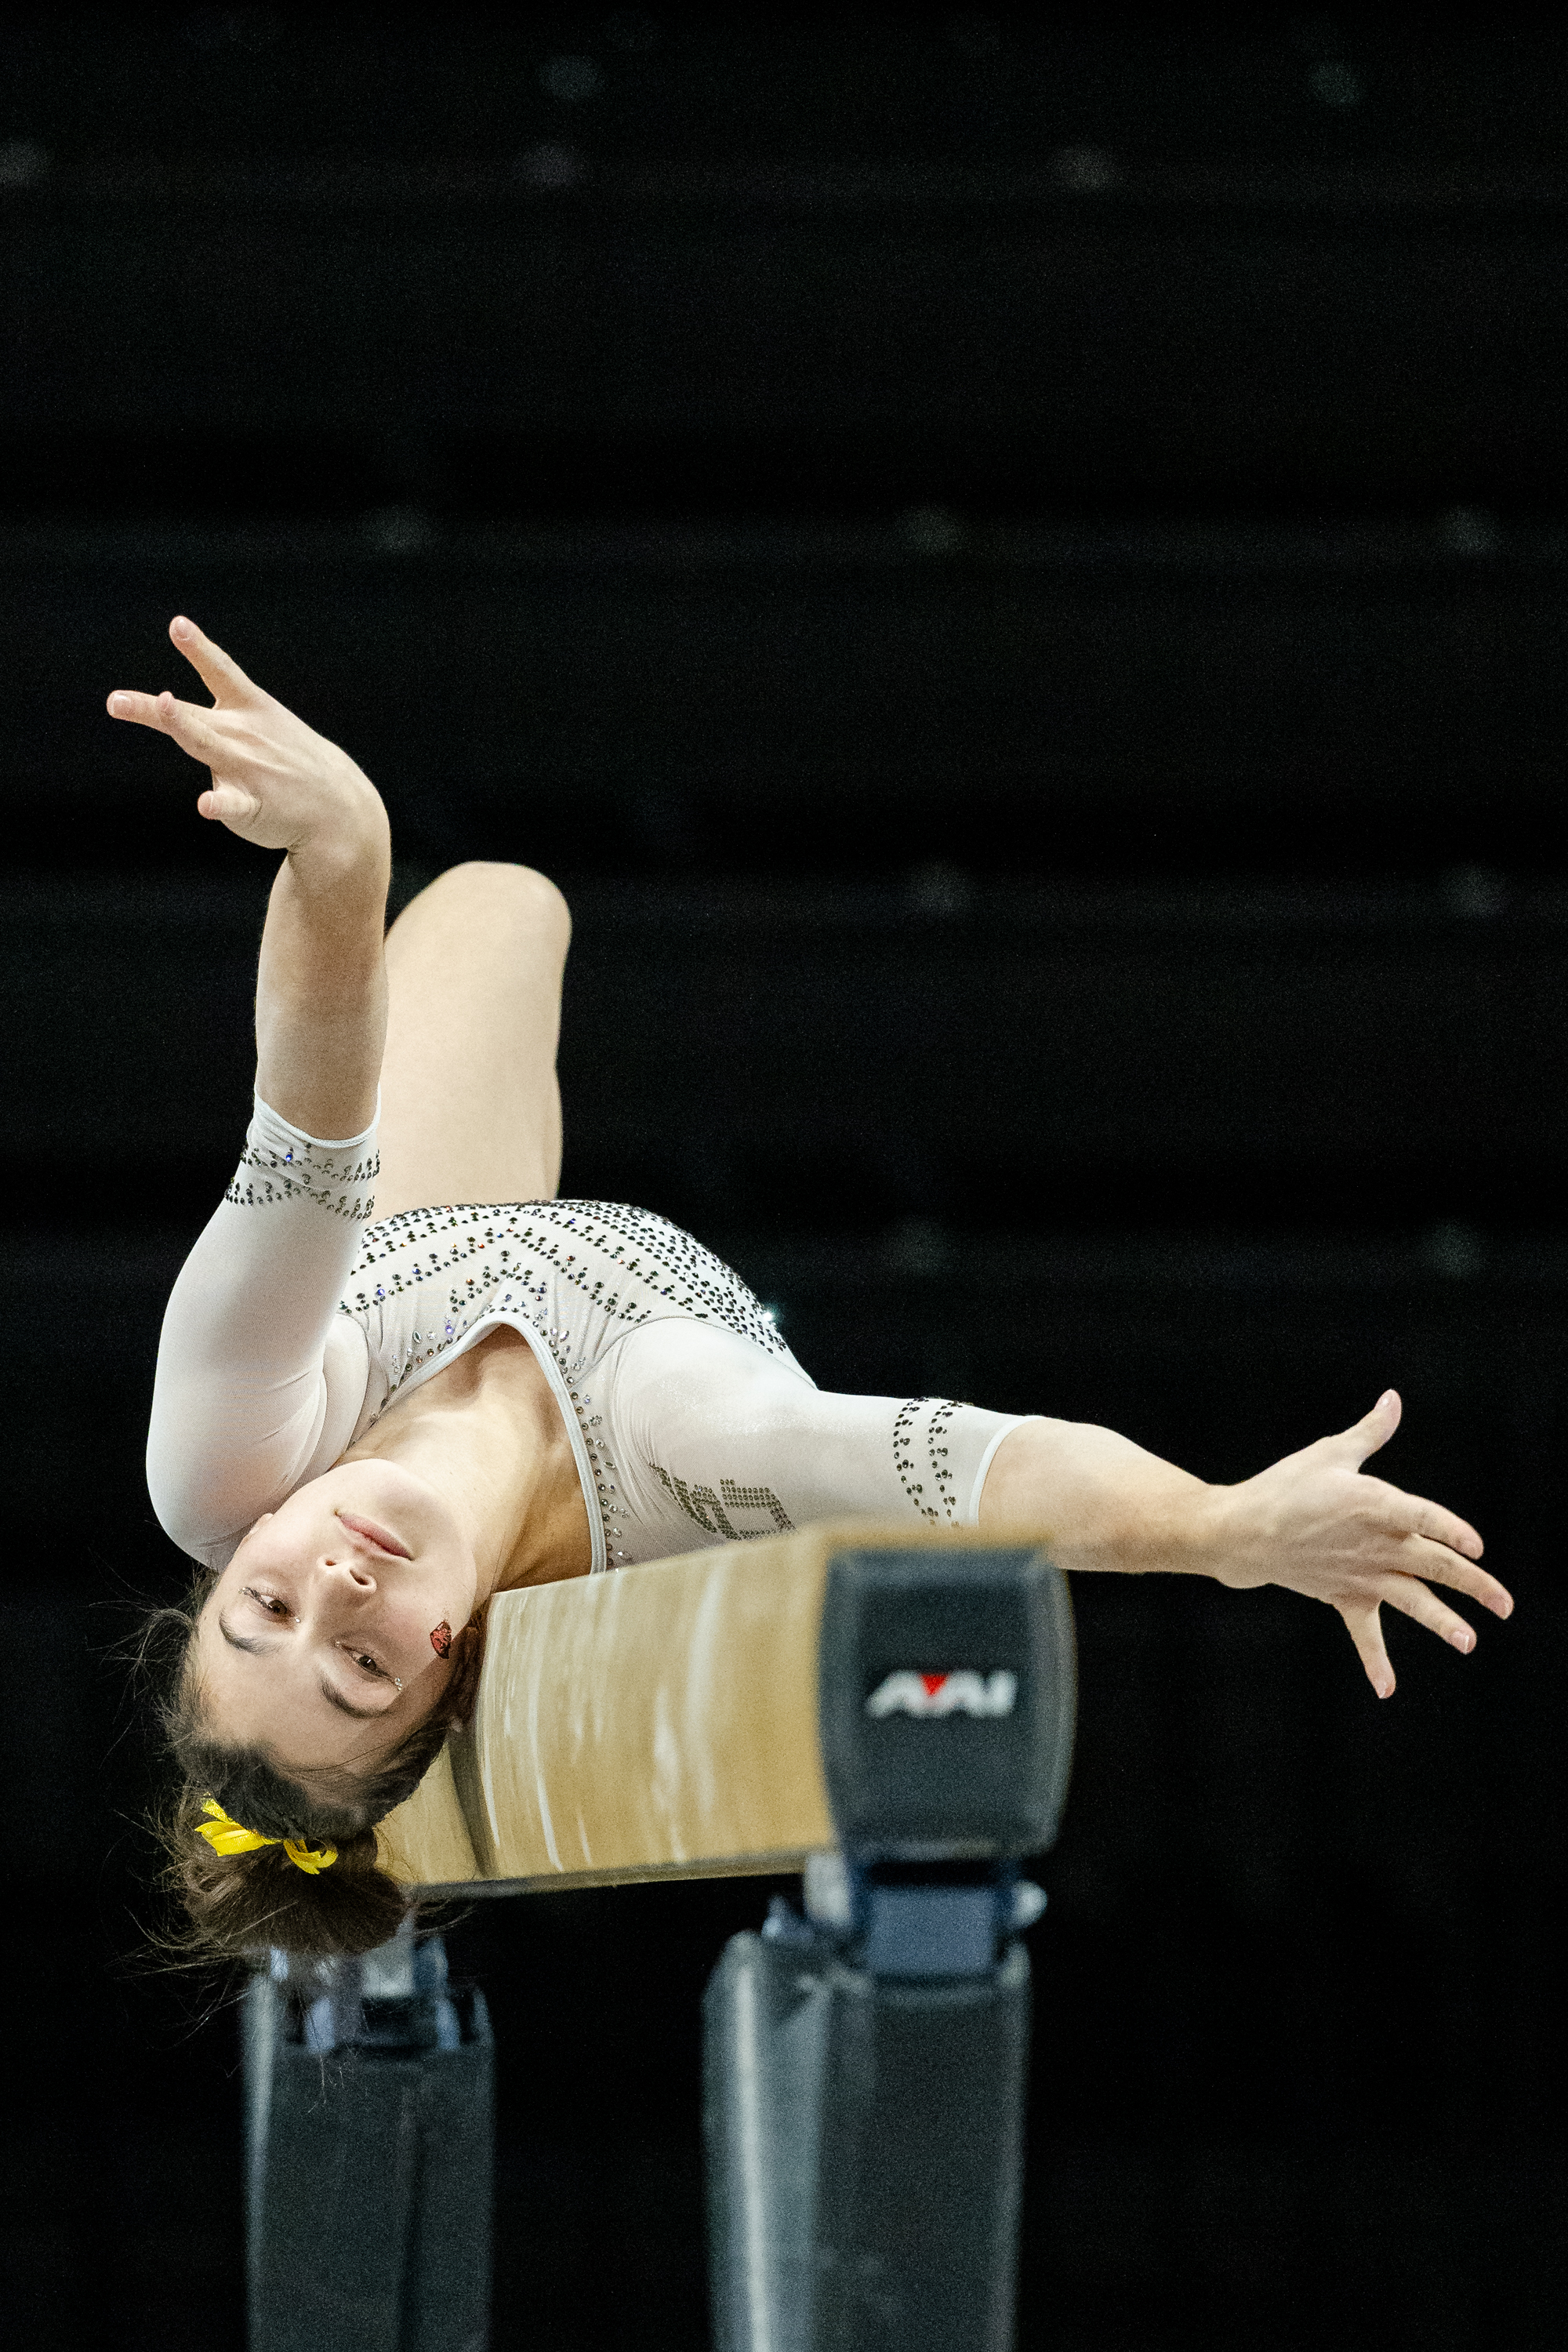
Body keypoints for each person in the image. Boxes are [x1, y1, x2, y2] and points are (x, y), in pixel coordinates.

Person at [116, 617, 1513, 1960]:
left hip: (423, 1245)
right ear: (455, 1674)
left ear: (234, 1560)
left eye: (267, 1610)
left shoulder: (228, 1464)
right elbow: (977, 1475)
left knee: (498, 901)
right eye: (364, 1669)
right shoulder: (692, 1441)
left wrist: (341, 853)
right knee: (502, 909)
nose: (340, 1590)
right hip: (617, 1377)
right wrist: (1221, 1525)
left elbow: (302, 1146)